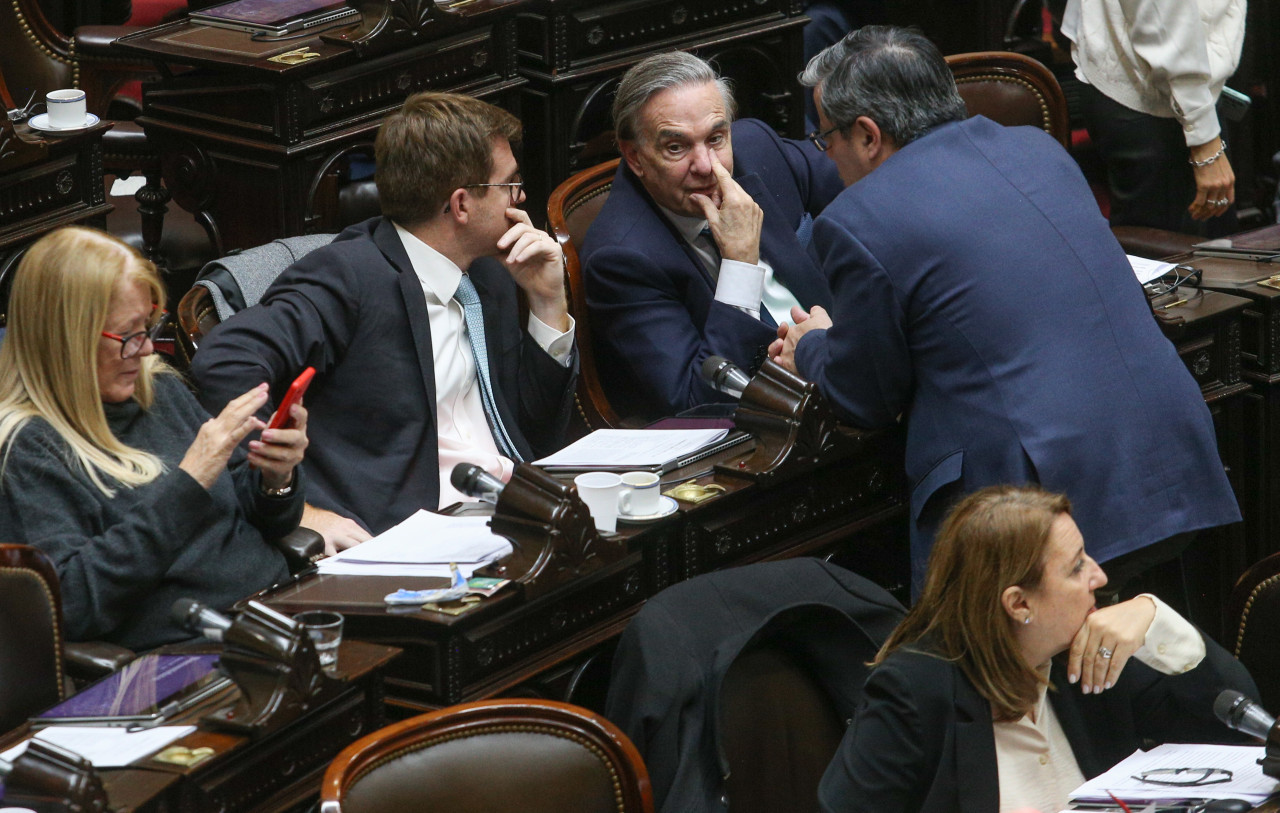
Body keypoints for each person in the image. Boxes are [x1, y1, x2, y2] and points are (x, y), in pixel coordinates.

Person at [771, 26, 1239, 592]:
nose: (830, 156)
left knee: (993, 680)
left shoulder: (858, 219)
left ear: (867, 134)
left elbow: (866, 396)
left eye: (826, 139)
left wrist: (814, 345)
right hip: (1164, 457)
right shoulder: (1036, 149)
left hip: (1036, 512)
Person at [192, 92, 577, 544]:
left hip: (517, 506)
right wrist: (296, 507)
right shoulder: (350, 276)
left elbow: (537, 432)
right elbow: (225, 360)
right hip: (413, 533)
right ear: (461, 205)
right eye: (509, 184)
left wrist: (548, 303)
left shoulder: (490, 272)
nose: (521, 196)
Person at [818, 485, 1259, 813]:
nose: (1100, 577)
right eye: (1076, 567)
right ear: (1019, 603)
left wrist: (1157, 620)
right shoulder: (914, 691)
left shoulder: (1084, 654)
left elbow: (1236, 731)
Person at [0, 227, 309, 650]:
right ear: (68, 341)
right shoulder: (29, 450)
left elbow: (261, 517)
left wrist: (276, 478)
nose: (147, 351)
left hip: (275, 607)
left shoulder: (158, 388)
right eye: (129, 336)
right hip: (189, 652)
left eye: (149, 325)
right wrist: (188, 483)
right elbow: (72, 605)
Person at [581, 50, 843, 419]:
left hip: (846, 367)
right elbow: (697, 402)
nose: (706, 166)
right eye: (676, 147)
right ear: (635, 157)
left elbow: (866, 194)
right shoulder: (619, 257)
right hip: (764, 427)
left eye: (716, 139)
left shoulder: (758, 148)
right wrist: (739, 264)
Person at [1061, 0, 1244, 236]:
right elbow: (1163, 19)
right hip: (1153, 92)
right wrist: (1204, 139)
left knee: (1208, 252)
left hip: (1180, 83)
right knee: (1172, 259)